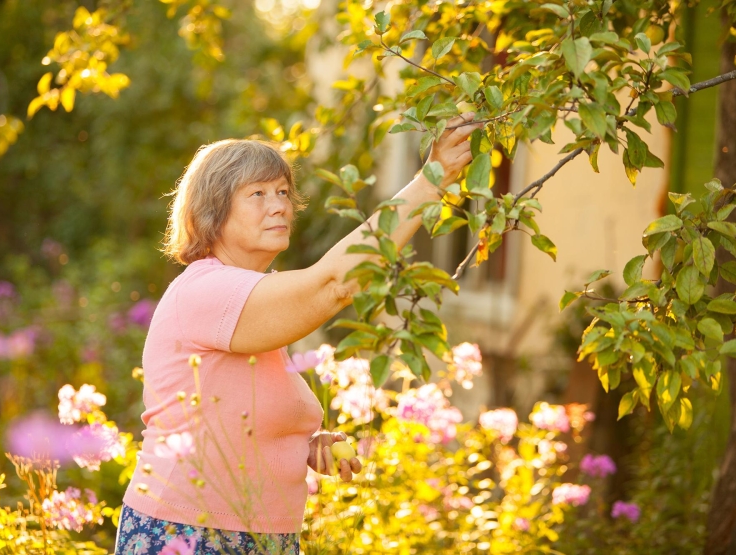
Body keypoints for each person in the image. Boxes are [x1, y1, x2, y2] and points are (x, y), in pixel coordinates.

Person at [115, 112, 480, 554]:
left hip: (259, 538)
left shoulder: (253, 299)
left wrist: (302, 446)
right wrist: (431, 180)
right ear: (213, 210)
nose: (280, 205)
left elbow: (236, 417)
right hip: (187, 535)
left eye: (283, 191)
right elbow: (332, 286)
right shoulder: (206, 291)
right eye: (258, 194)